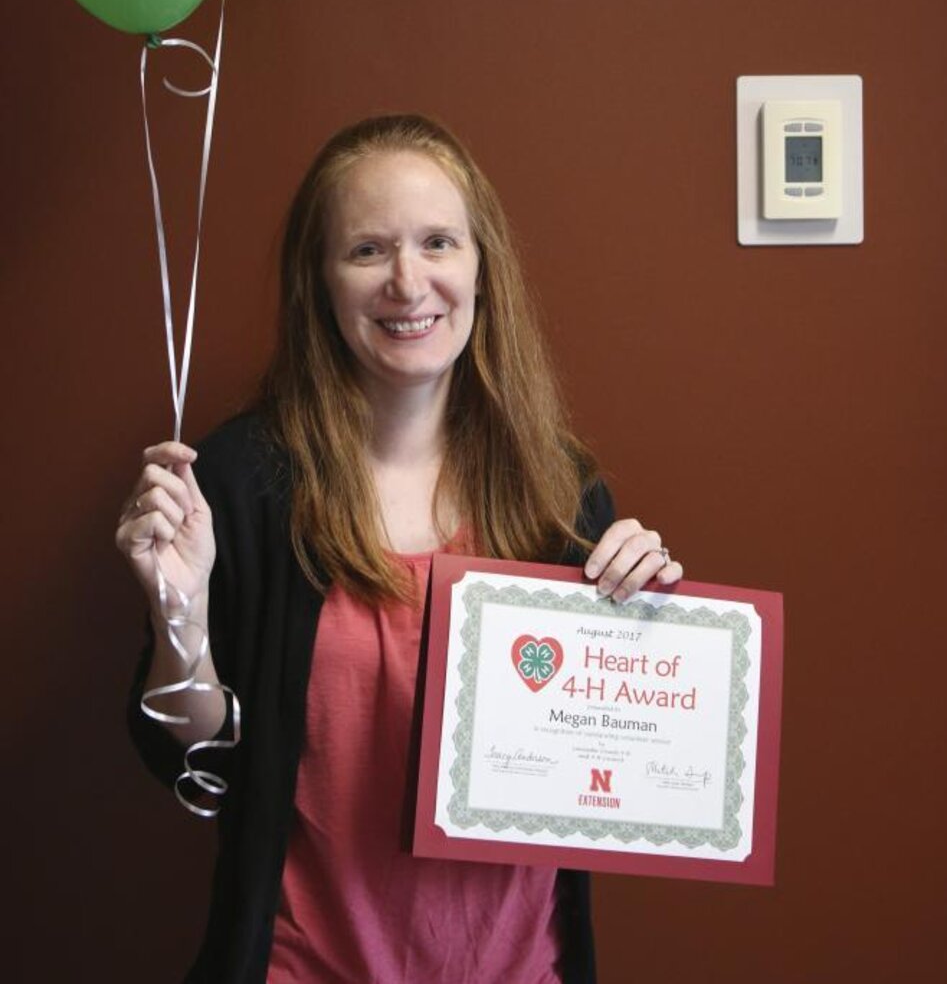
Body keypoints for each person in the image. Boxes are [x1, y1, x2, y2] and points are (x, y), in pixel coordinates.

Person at [117, 113, 682, 984]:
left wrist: (652, 636)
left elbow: (613, 771)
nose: (408, 282)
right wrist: (179, 615)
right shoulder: (238, 483)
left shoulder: (560, 495)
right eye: (369, 250)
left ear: (481, 268)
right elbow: (196, 769)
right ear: (322, 283)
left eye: (437, 242)